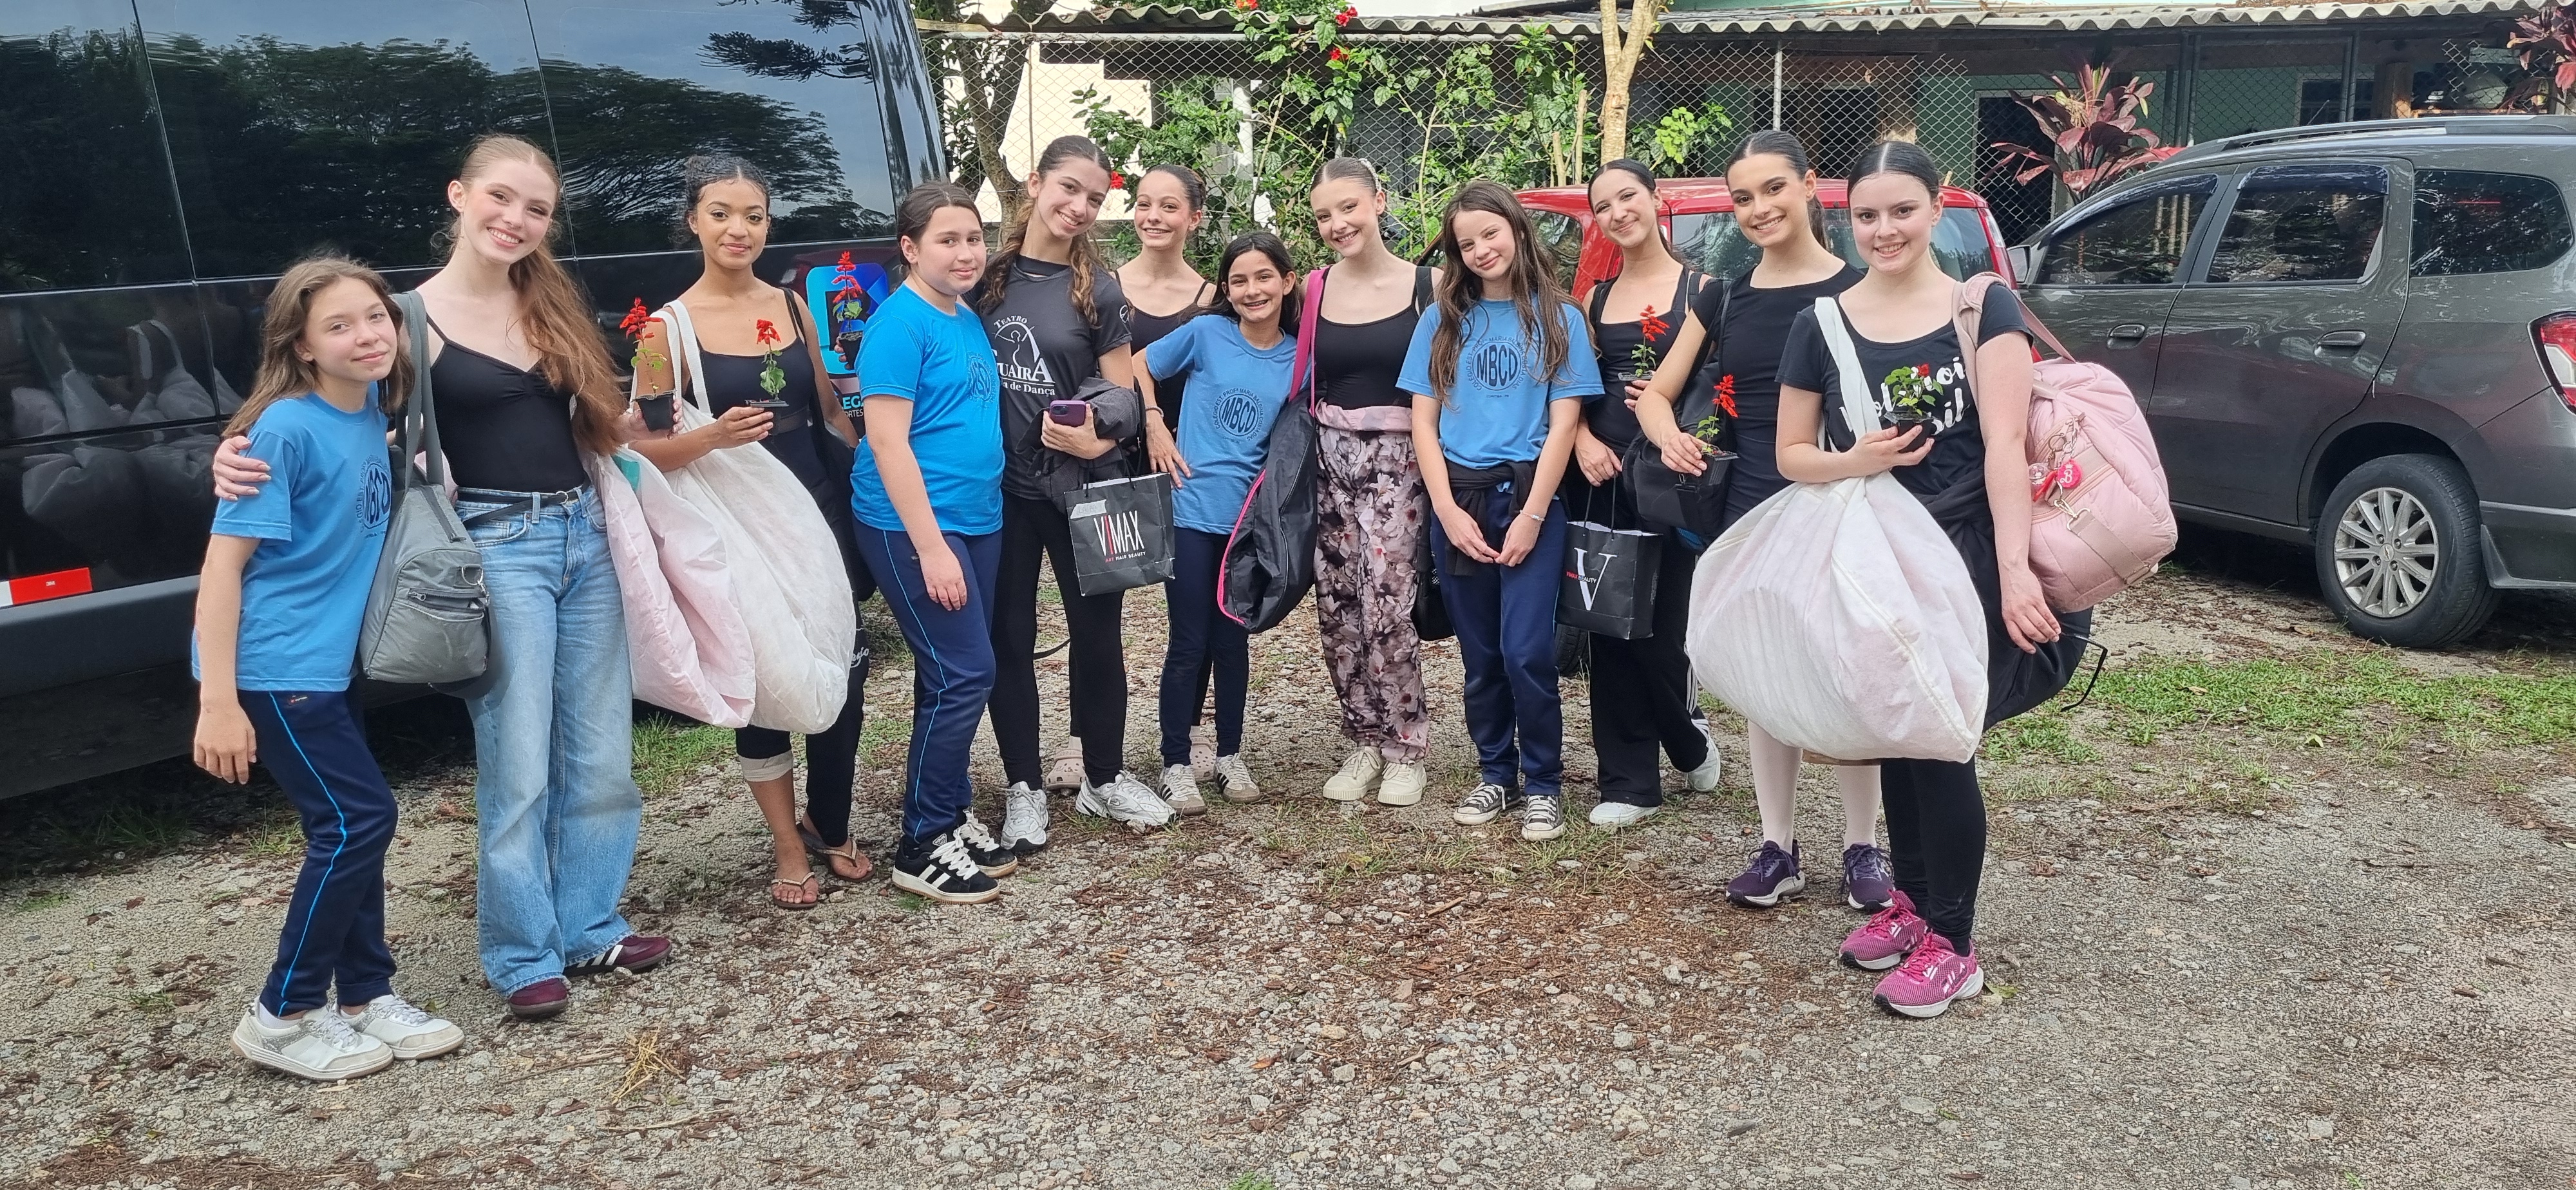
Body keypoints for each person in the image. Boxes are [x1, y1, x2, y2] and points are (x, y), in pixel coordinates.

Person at [215, 135, 664, 1021]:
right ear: (459, 195)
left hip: (585, 539)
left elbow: (606, 428)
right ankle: (521, 953)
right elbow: (321, 405)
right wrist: (230, 456)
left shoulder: (553, 306)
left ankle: (589, 923)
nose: (517, 220)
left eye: (537, 209)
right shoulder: (405, 319)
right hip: (497, 547)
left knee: (603, 757)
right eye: (501, 198)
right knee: (519, 762)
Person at [1773, 138, 2078, 1018]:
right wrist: (1855, 457)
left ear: (1936, 208)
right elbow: (1792, 455)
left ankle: (1955, 943)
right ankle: (1909, 905)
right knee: (1894, 738)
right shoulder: (1820, 324)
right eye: (1866, 215)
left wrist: (2017, 574)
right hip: (1875, 563)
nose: (1884, 229)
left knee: (1943, 745)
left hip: (1966, 562)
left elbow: (2005, 455)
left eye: (1901, 210)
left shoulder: (1983, 309)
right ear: (1848, 219)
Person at [197, 256, 464, 1080]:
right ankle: (282, 1011)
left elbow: (445, 329)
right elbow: (221, 566)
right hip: (276, 668)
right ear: (302, 346)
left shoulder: (368, 415)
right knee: (358, 822)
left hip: (327, 664)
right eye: (338, 326)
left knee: (347, 826)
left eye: (376, 317)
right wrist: (218, 701)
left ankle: (364, 997)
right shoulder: (282, 428)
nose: (366, 336)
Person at [1631, 130, 1891, 911]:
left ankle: (1862, 849)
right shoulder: (1721, 295)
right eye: (1742, 197)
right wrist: (1670, 434)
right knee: (1767, 671)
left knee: (1846, 674)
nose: (1758, 209)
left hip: (1845, 498)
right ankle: (1777, 843)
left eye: (1773, 189)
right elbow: (1653, 392)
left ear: (1811, 186)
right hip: (1751, 503)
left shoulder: (1858, 284)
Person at [626, 155, 871, 911]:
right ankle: (787, 846)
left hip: (819, 508)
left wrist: (881, 465)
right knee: (762, 677)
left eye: (754, 215)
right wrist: (713, 440)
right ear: (693, 221)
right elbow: (640, 449)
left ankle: (829, 820)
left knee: (845, 663)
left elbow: (829, 411)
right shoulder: (661, 329)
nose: (739, 229)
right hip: (735, 523)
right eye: (721, 213)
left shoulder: (795, 305)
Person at [974, 134, 1170, 849]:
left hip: (1085, 489)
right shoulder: (986, 279)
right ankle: (1023, 786)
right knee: (1009, 640)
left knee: (1097, 639)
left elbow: (1123, 391)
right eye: (1069, 190)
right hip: (1002, 494)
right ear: (1035, 183)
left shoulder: (1100, 289)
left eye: (1094, 198)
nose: (1080, 207)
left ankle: (1104, 776)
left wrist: (1099, 436)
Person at [1401, 180, 1600, 842]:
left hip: (1527, 502)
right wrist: (1447, 512)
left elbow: (1564, 424)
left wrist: (1534, 516)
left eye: (1490, 234)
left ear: (1515, 230)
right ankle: (1496, 772)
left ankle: (1543, 782)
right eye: (1467, 242)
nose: (1482, 249)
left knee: (1527, 652)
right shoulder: (1442, 321)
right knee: (1481, 656)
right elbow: (1422, 426)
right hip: (1459, 503)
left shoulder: (1558, 318)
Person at [849, 181, 1017, 905]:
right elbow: (885, 441)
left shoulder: (962, 315)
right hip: (914, 524)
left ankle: (948, 815)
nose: (965, 252)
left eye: (973, 238)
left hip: (975, 517)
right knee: (966, 672)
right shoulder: (899, 325)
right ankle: (920, 842)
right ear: (911, 249)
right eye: (947, 240)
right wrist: (931, 547)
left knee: (948, 675)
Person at [1568, 159, 1723, 830]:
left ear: (1656, 200)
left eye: (1627, 196)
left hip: (1673, 485)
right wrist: (1579, 440)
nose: (1617, 212)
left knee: (1661, 635)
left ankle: (1687, 739)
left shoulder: (1705, 291)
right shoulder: (1594, 301)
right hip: (1604, 481)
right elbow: (1568, 390)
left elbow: (1725, 390)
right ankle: (1628, 781)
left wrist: (1695, 442)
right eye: (1603, 206)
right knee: (1609, 628)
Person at [1139, 231, 1300, 813]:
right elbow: (1139, 365)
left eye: (1263, 277)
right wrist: (1155, 422)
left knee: (1233, 641)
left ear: (1287, 281)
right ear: (1225, 290)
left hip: (1246, 527)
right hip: (1190, 511)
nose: (1251, 290)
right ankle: (1176, 762)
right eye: (1238, 281)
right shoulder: (1207, 335)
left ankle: (1230, 754)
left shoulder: (1300, 356)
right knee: (1188, 641)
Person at [1306, 157, 1439, 808]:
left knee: (1386, 602)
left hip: (1402, 461)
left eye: (1348, 208)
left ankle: (1406, 744)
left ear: (1379, 202)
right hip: (1329, 459)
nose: (1337, 224)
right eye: (1324, 215)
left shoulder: (1431, 286)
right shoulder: (1312, 289)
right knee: (1337, 606)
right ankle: (1362, 738)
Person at [1120, 164, 1221, 780]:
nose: (1153, 216)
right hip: (1119, 461)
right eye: (1143, 203)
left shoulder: (1213, 298)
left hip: (1189, 473)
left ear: (1194, 218)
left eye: (1168, 207)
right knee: (1100, 603)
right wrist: (1150, 421)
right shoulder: (1105, 285)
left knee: (1194, 613)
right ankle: (1084, 737)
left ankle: (1190, 730)